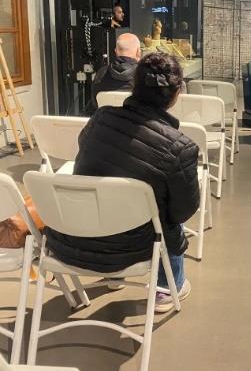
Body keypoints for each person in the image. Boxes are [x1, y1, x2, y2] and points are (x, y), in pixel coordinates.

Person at [44, 53, 200, 313]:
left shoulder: (100, 118)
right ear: (176, 94)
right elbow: (183, 211)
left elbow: (85, 161)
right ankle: (166, 287)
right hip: (132, 249)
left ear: (133, 86)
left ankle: (115, 278)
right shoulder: (180, 147)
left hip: (74, 237)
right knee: (168, 211)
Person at [89, 33, 141, 113]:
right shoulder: (145, 75)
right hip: (137, 120)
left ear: (116, 51)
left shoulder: (101, 74)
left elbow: (95, 103)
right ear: (138, 52)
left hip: (107, 120)